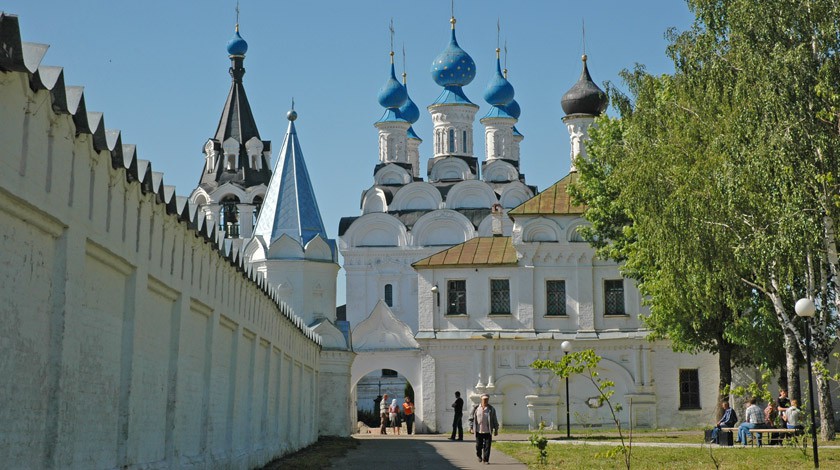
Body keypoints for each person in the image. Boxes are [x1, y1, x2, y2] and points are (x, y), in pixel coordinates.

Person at [469, 394, 499, 464]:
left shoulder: (491, 409)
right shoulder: (476, 408)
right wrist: (471, 428)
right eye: (484, 399)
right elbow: (471, 418)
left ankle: (486, 460)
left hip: (488, 431)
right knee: (478, 446)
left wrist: (496, 429)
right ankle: (479, 455)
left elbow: (494, 419)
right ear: (481, 400)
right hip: (478, 431)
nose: (485, 401)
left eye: (487, 399)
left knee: (487, 446)